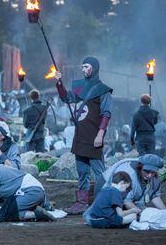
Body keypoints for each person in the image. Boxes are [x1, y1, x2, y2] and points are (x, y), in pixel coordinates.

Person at [54, 56, 113, 214]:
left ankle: (105, 202)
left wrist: (100, 135)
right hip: (80, 135)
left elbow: (106, 114)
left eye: (86, 66)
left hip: (94, 136)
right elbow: (66, 98)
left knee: (100, 173)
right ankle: (81, 203)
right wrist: (59, 83)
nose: (83, 69)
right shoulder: (79, 87)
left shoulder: (103, 90)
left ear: (93, 68)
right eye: (82, 67)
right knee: (82, 172)